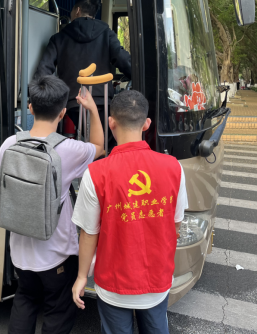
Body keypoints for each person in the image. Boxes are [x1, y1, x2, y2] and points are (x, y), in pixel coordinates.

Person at [0, 75, 104, 334]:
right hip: (58, 256)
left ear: (30, 107)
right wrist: (92, 109)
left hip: (20, 254)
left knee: (25, 301)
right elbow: (98, 146)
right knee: (57, 313)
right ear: (62, 112)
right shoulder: (69, 150)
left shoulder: (9, 144)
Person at [71, 90, 188, 334]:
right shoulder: (174, 168)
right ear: (147, 124)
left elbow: (88, 233)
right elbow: (176, 224)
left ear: (111, 122)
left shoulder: (96, 173)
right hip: (157, 280)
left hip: (113, 284)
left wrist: (82, 277)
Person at [34, 0, 132, 146]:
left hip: (73, 103)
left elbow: (43, 72)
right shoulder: (107, 34)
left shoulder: (59, 38)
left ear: (77, 10)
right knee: (106, 144)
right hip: (103, 102)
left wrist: (37, 97)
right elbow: (124, 60)